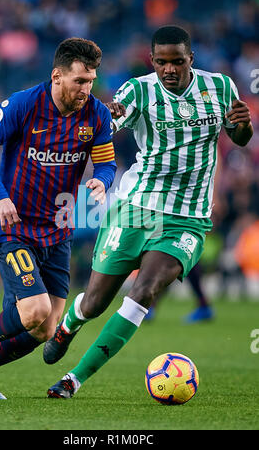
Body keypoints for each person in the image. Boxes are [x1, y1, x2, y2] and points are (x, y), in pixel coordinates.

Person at [45, 25, 253, 399]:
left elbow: (238, 136)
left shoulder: (220, 87)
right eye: (161, 62)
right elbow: (108, 124)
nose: (169, 69)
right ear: (153, 61)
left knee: (144, 292)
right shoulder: (138, 90)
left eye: (177, 61)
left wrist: (244, 125)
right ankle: (68, 326)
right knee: (94, 303)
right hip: (136, 208)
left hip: (187, 218)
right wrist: (111, 116)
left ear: (191, 59)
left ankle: (73, 379)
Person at [0, 37, 117, 400]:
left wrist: (101, 180)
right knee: (35, 309)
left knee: (45, 329)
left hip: (59, 230)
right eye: (79, 80)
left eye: (91, 80)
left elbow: (107, 162)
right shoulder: (24, 105)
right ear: (57, 76)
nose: (86, 89)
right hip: (15, 227)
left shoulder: (97, 115)